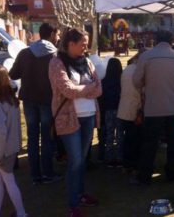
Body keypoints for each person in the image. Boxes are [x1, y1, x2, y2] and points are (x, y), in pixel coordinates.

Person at [48, 28, 102, 217]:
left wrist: (84, 89)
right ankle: (73, 203)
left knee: (81, 160)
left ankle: (80, 194)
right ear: (70, 44)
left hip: (88, 116)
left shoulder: (87, 61)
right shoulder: (57, 63)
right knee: (75, 161)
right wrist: (89, 87)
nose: (85, 47)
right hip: (68, 118)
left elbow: (99, 89)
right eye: (83, 44)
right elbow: (67, 90)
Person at [133, 31, 174, 184]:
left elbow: (136, 82)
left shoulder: (146, 56)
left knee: (149, 143)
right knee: (173, 143)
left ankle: (145, 175)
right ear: (172, 41)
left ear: (155, 41)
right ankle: (172, 173)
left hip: (153, 108)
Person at [9, 22, 62, 185]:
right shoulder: (55, 55)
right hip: (46, 100)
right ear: (52, 34)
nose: (58, 37)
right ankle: (47, 173)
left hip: (30, 100)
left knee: (32, 137)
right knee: (46, 137)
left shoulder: (25, 53)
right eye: (58, 34)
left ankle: (35, 175)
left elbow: (13, 73)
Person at [0, 65, 27, 217]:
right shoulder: (11, 100)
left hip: (1, 153)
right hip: (10, 149)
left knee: (7, 182)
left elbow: (0, 132)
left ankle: (21, 213)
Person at [117, 56, 143, 175]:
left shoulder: (128, 69)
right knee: (136, 140)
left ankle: (126, 165)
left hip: (124, 108)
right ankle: (134, 166)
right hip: (135, 110)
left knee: (128, 139)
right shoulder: (139, 71)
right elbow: (142, 92)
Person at [101, 58, 123, 168]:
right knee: (120, 134)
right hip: (120, 110)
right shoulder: (122, 80)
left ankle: (108, 157)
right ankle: (120, 157)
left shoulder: (104, 81)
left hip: (108, 110)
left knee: (109, 134)